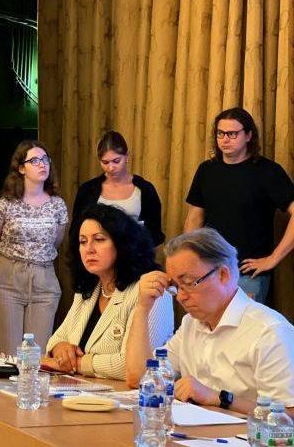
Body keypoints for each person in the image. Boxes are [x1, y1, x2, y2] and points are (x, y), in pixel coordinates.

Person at [126, 228, 294, 415]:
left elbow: (288, 415)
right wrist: (142, 308)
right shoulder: (190, 323)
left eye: (188, 283)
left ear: (223, 274)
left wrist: (218, 398)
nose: (180, 297)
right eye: (176, 286)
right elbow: (140, 378)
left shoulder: (270, 331)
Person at [42, 204, 173, 380]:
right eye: (83, 241)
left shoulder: (151, 291)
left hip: (131, 396)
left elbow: (134, 366)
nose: (89, 249)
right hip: (82, 390)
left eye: (99, 239)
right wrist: (60, 349)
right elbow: (56, 339)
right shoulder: (87, 290)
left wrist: (78, 364)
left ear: (122, 243)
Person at [184, 107, 294, 303]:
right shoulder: (207, 170)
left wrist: (273, 258)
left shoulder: (268, 171)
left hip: (247, 274)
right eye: (220, 133)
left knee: (241, 323)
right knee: (203, 322)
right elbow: (195, 217)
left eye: (232, 134)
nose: (225, 139)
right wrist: (190, 257)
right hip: (208, 269)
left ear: (249, 135)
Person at [0, 140, 68, 355]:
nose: (42, 164)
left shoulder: (57, 204)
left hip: (44, 278)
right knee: (5, 353)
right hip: (7, 278)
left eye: (45, 159)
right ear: (21, 168)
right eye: (34, 161)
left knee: (36, 354)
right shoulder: (4, 204)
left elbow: (56, 241)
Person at [72, 131, 164, 247]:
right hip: (95, 253)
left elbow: (155, 233)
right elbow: (76, 232)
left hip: (134, 254)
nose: (111, 168)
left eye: (116, 161)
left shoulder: (145, 190)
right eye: (105, 162)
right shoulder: (87, 190)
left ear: (127, 156)